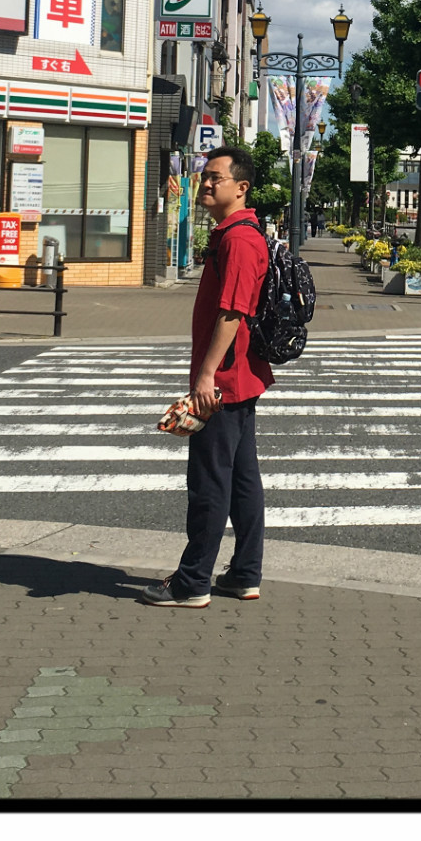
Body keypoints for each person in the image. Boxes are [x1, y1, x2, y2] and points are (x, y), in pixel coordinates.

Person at [140, 144, 272, 608]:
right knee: (240, 479)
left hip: (226, 381)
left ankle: (193, 581)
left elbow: (233, 312)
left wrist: (205, 376)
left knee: (209, 483)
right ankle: (243, 574)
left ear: (242, 187)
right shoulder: (235, 234)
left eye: (217, 176)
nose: (207, 182)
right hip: (240, 378)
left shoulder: (238, 239)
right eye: (205, 175)